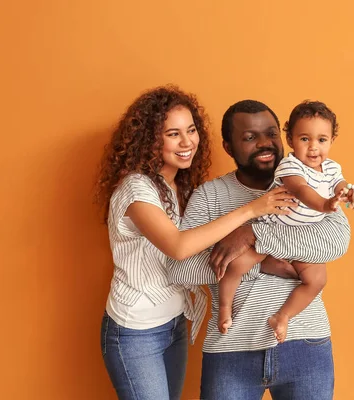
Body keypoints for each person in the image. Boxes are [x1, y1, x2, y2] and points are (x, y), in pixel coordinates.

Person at [95, 87, 294, 400]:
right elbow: (179, 247)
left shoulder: (179, 186)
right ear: (150, 139)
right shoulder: (136, 190)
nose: (187, 142)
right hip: (135, 330)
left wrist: (255, 254)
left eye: (191, 130)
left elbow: (200, 259)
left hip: (175, 322)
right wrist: (253, 210)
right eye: (174, 133)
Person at [168, 99, 351, 399]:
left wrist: (253, 235)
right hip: (231, 349)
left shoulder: (315, 182)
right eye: (250, 137)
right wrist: (264, 263)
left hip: (306, 343)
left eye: (270, 134)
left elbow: (336, 240)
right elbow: (180, 268)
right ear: (228, 146)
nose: (264, 144)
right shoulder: (211, 196)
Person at [217, 100, 354, 342]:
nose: (313, 148)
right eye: (304, 139)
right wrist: (325, 204)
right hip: (272, 229)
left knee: (318, 279)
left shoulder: (330, 168)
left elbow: (340, 186)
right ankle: (225, 307)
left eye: (322, 140)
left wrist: (350, 194)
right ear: (290, 140)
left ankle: (283, 316)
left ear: (332, 141)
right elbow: (300, 190)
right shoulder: (290, 166)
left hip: (300, 241)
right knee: (235, 265)